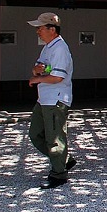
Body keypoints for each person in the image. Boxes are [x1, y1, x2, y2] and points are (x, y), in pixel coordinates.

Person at [27, 12, 76, 189]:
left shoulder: (60, 49)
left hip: (55, 99)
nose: (38, 31)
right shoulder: (48, 47)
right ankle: (65, 160)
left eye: (40, 28)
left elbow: (58, 77)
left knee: (54, 138)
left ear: (52, 29)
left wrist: (36, 79)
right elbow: (37, 68)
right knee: (35, 134)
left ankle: (58, 174)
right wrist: (36, 71)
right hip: (44, 99)